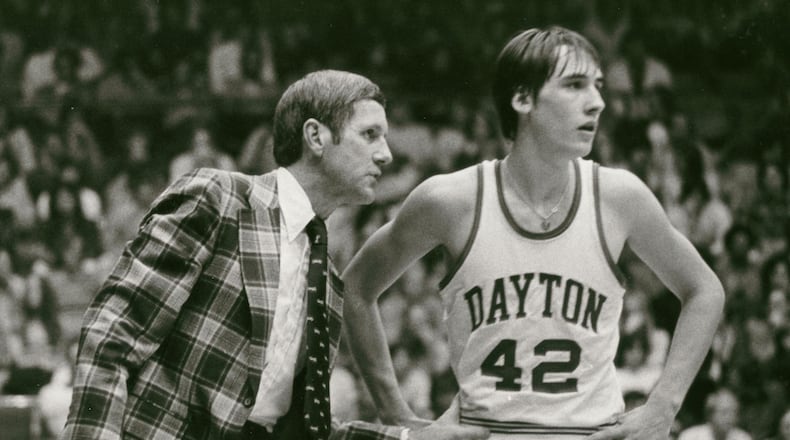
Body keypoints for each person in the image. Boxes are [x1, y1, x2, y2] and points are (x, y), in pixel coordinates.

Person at [61, 70, 489, 440]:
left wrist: (413, 437)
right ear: (316, 136)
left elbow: (312, 433)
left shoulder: (326, 279)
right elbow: (111, 338)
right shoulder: (220, 198)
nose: (386, 154)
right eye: (370, 134)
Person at [342, 26, 724, 440]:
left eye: (597, 86)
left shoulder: (619, 196)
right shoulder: (450, 200)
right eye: (575, 85)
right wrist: (397, 416)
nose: (597, 102)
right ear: (522, 99)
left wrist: (663, 406)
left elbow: (705, 291)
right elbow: (355, 289)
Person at [676, 388, 752, 440]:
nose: (730, 418)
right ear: (710, 414)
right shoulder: (691, 437)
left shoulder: (743, 438)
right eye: (724, 413)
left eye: (734, 413)